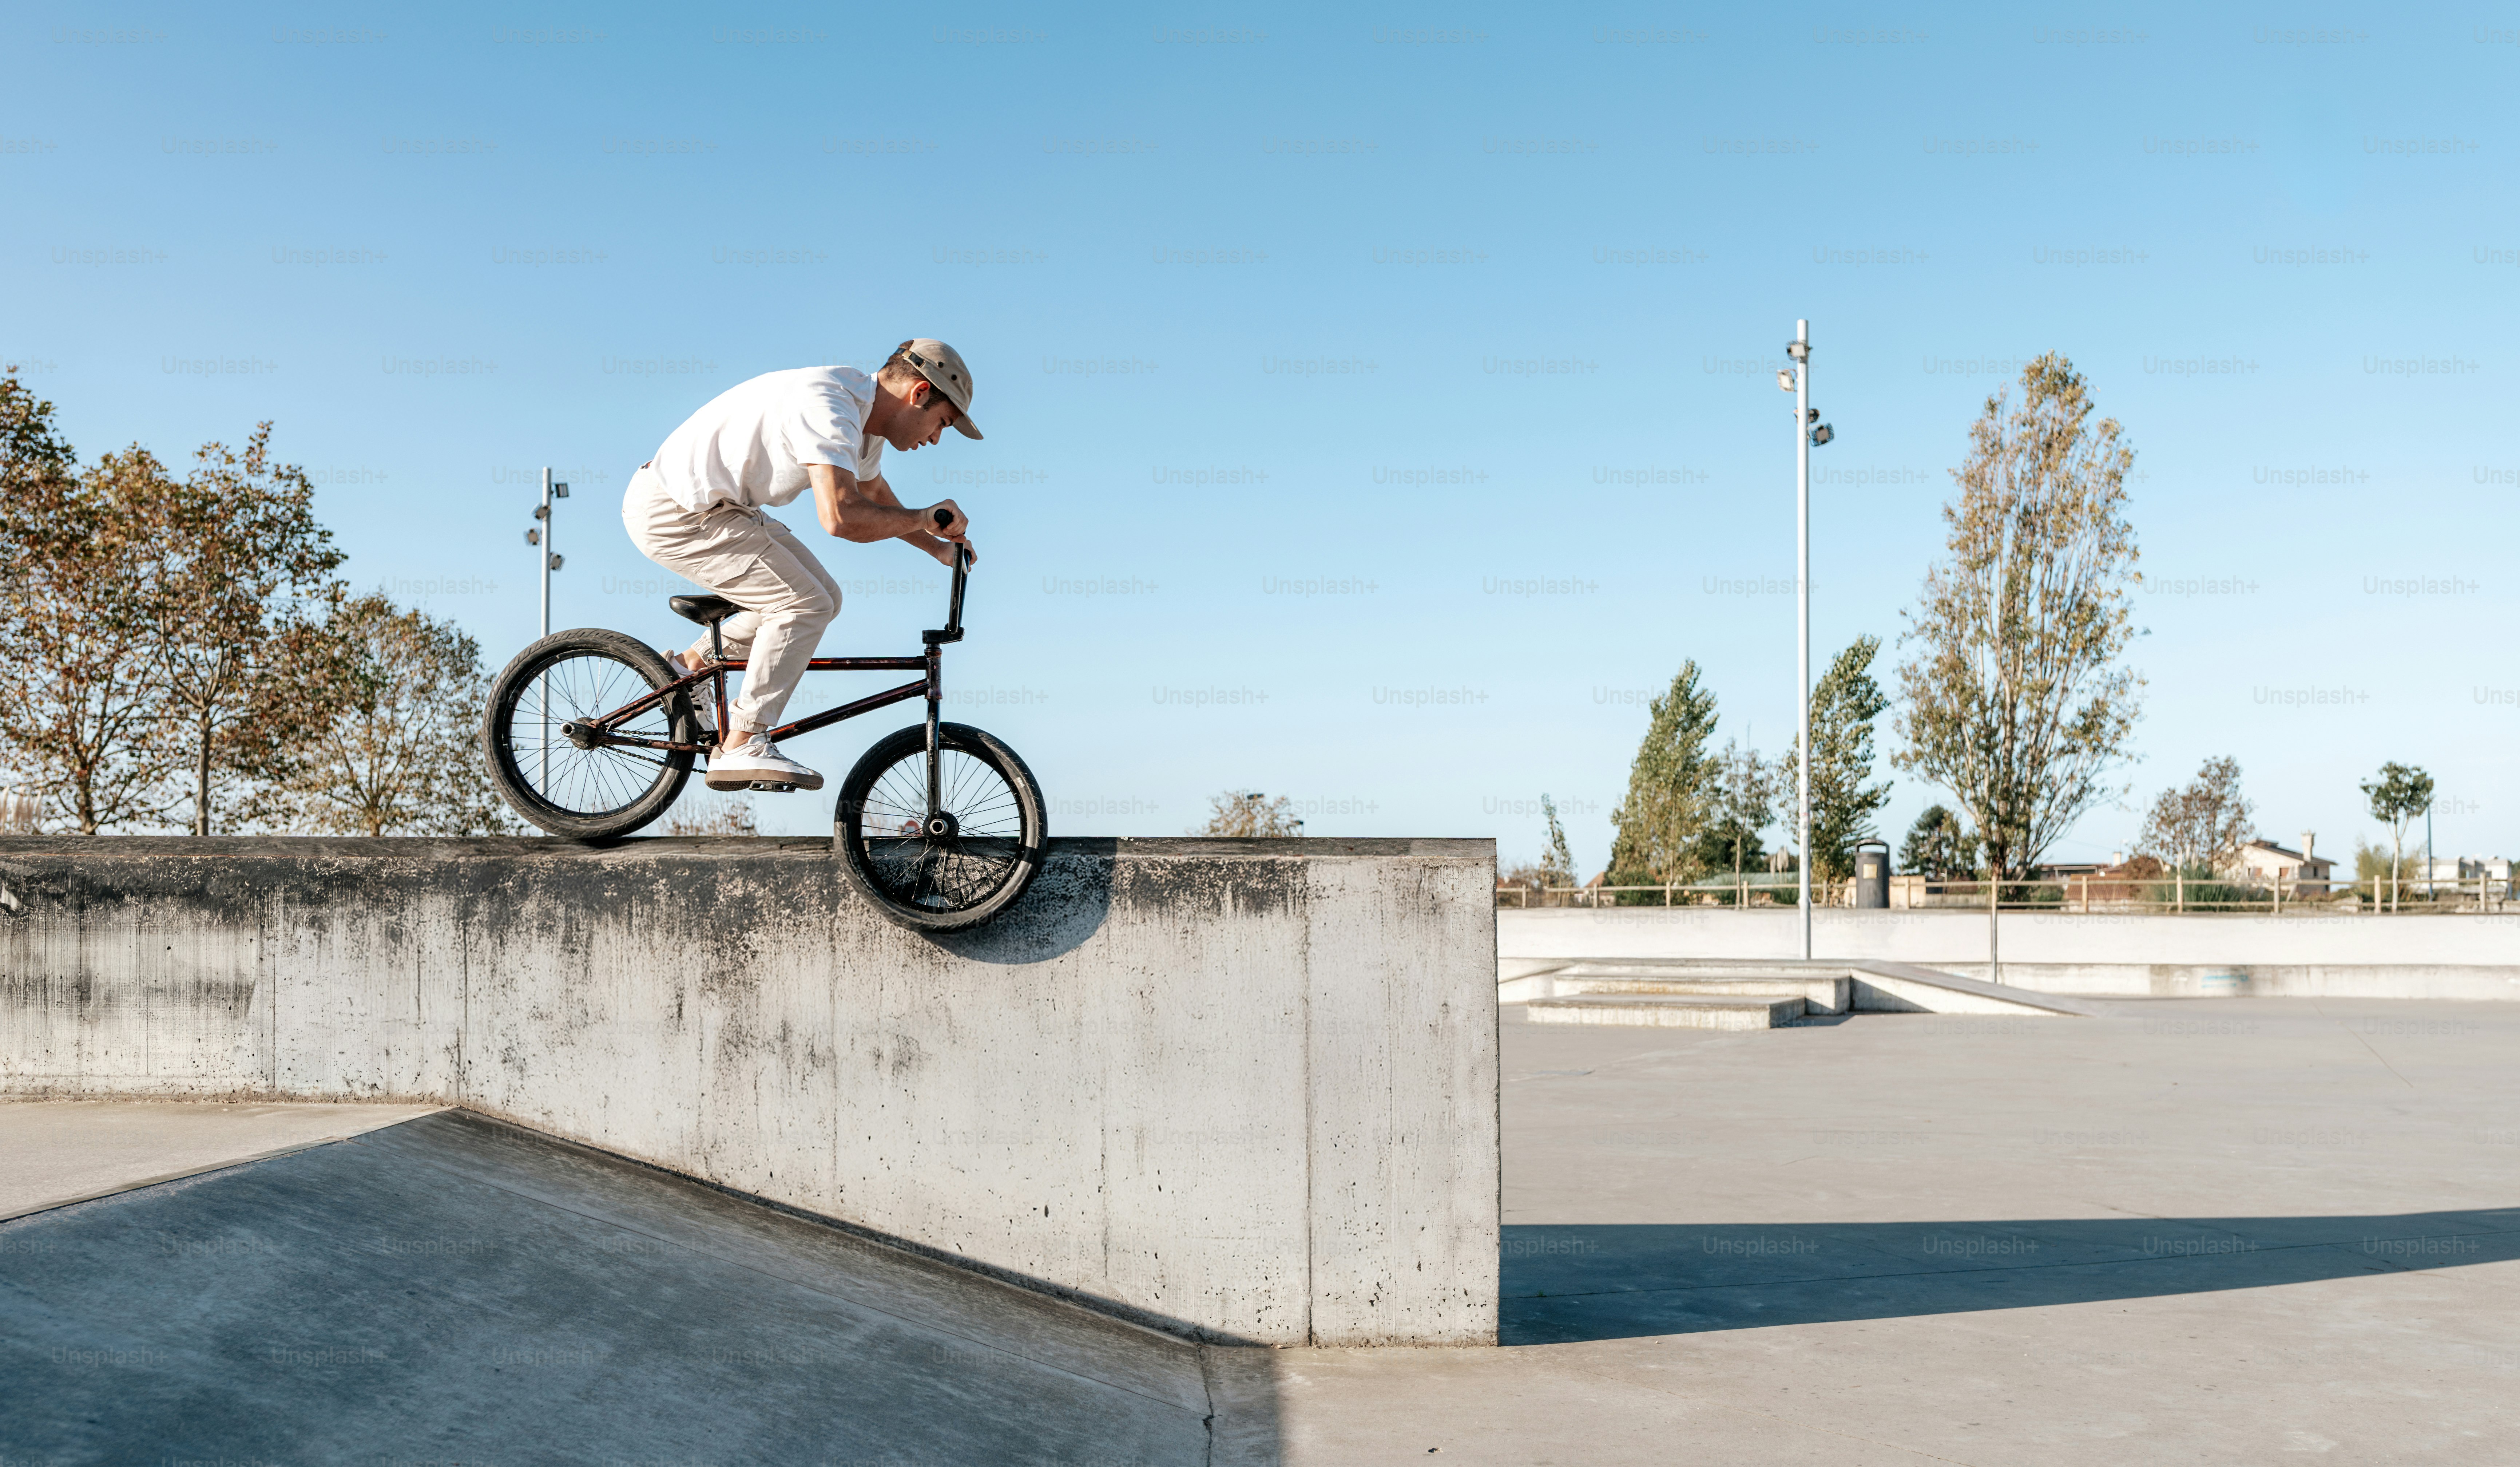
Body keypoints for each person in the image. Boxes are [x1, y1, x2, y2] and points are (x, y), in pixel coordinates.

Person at [623, 340, 980, 791]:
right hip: (676, 510)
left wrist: (936, 547)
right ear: (919, 393)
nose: (934, 438)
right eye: (942, 423)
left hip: (722, 508)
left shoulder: (864, 418)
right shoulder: (829, 405)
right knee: (802, 603)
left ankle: (687, 670)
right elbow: (841, 516)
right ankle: (742, 743)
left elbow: (872, 495)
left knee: (825, 599)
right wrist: (923, 518)